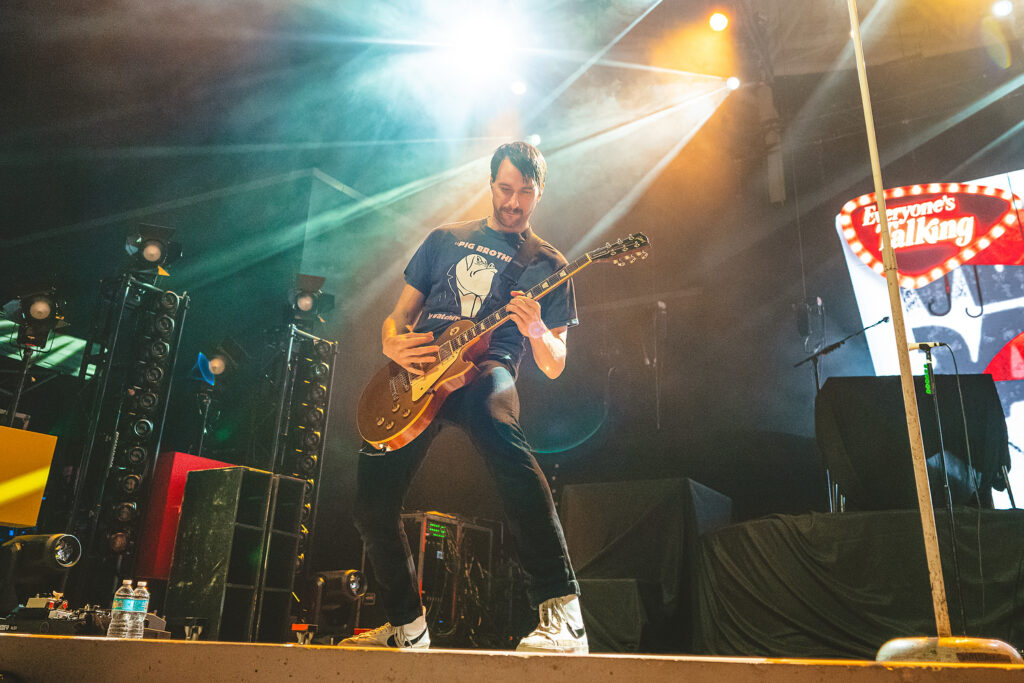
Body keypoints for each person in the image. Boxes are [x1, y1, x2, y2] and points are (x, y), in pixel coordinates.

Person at [340, 141, 586, 653]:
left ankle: (563, 614)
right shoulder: (444, 238)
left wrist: (537, 329)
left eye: (525, 192)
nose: (513, 202)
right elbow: (398, 317)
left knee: (502, 435)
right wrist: (391, 342)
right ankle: (407, 627)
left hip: (485, 368)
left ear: (540, 192)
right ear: (490, 183)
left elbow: (555, 363)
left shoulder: (549, 264)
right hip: (418, 372)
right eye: (505, 188)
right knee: (371, 504)